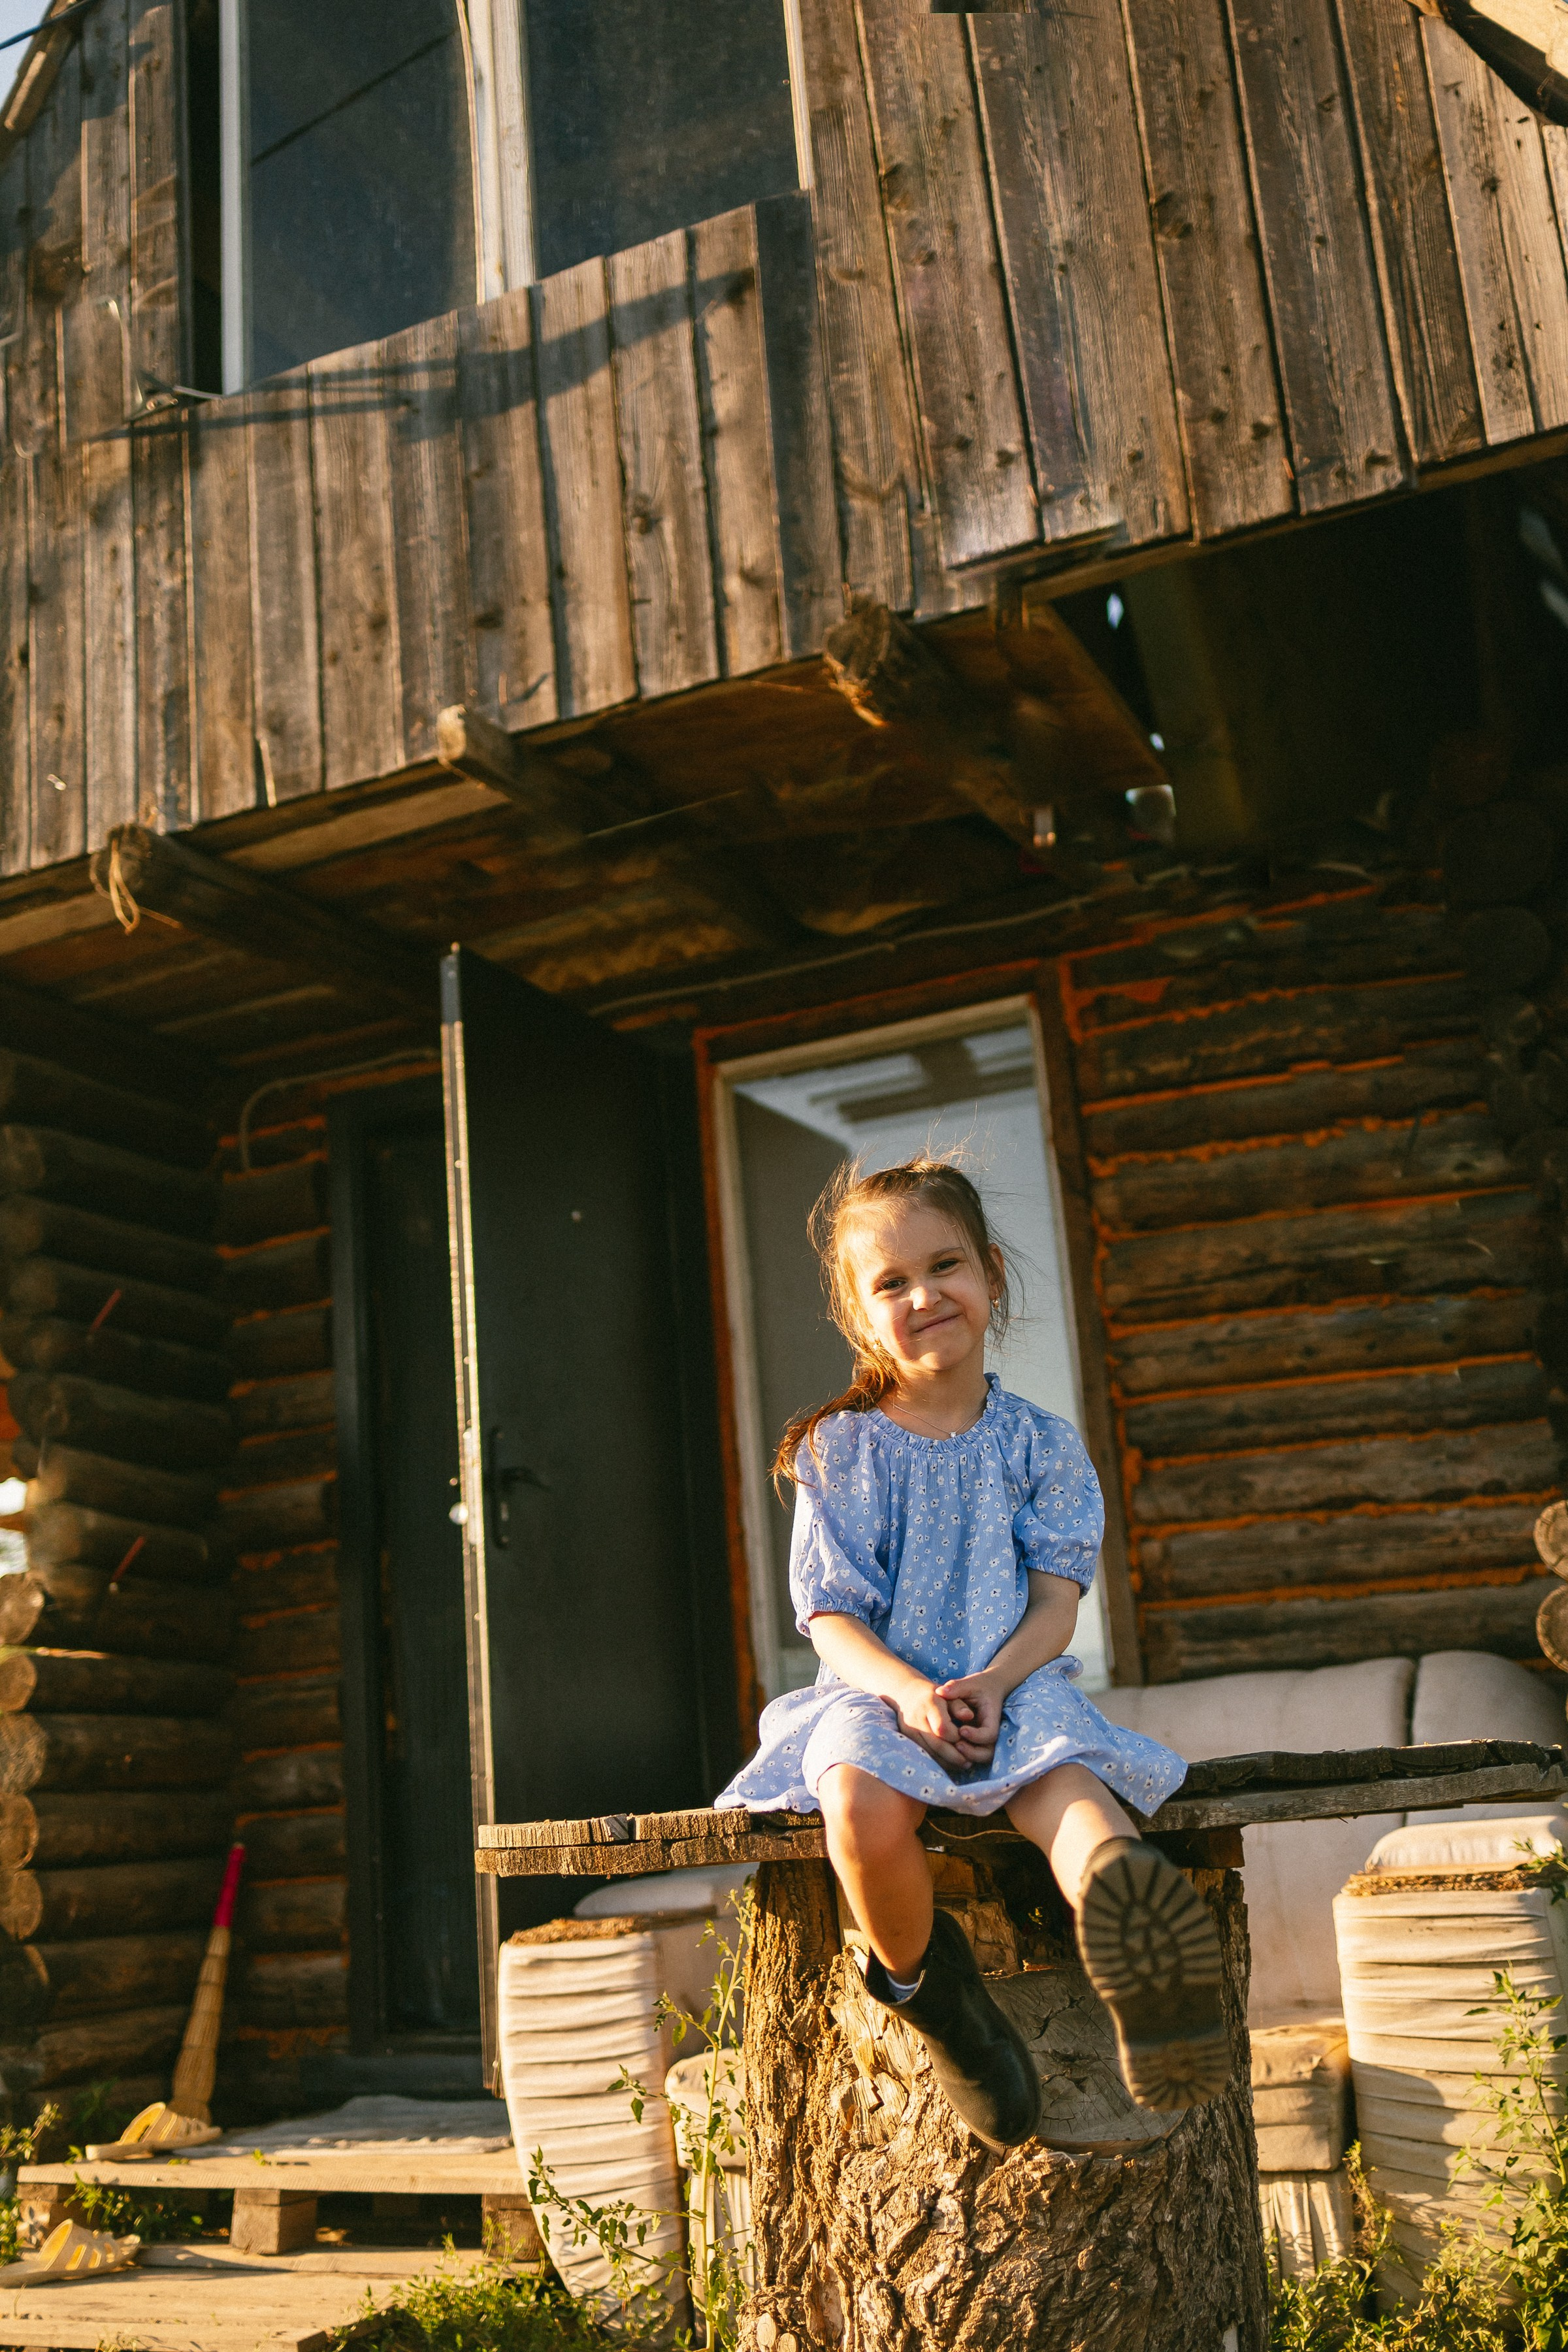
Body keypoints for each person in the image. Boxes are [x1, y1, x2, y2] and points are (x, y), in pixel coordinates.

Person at [715, 1154, 1225, 2149]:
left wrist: (994, 1681)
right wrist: (909, 1691)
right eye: (891, 1284)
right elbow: (829, 1618)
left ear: (990, 1274)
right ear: (863, 1320)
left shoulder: (1039, 1444)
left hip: (1009, 1680)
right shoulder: (841, 1450)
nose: (924, 1295)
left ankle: (1130, 1919)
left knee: (1064, 1787)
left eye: (944, 1266)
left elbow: (1054, 1603)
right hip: (879, 1691)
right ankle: (930, 1991)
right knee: (860, 1804)